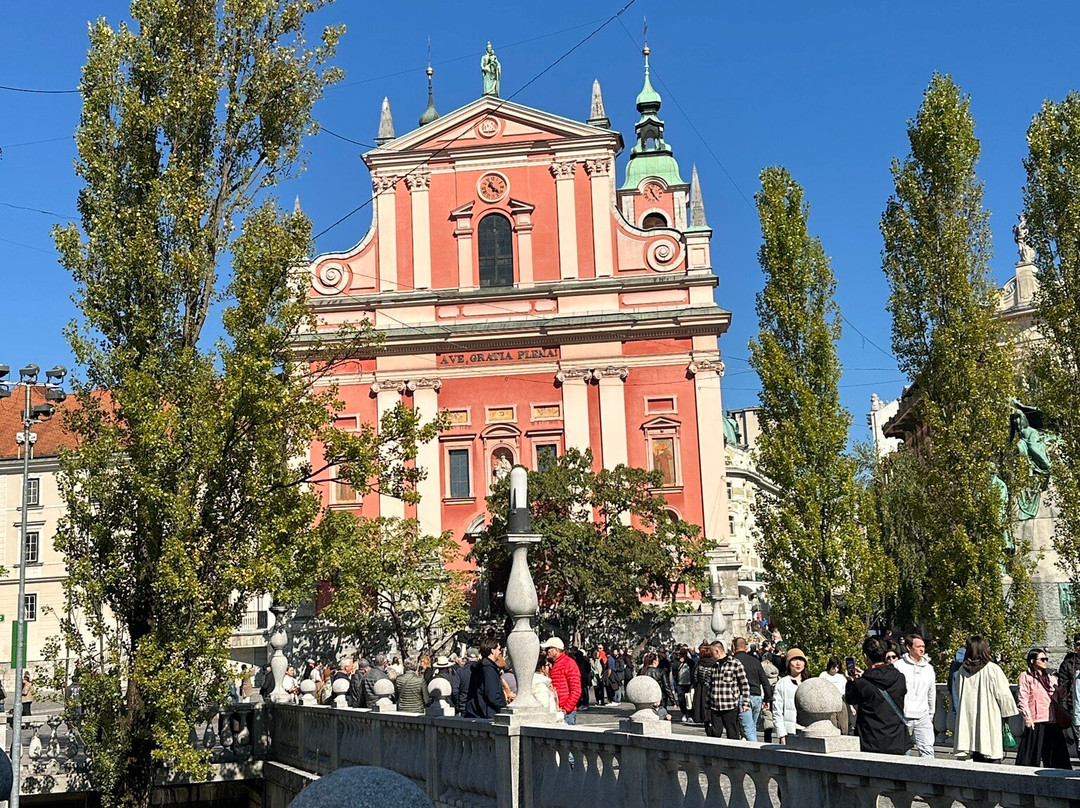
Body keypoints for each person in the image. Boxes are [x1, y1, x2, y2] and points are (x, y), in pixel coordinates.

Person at [953, 635, 1020, 763]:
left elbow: (957, 692)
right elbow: (1004, 695)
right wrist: (1007, 715)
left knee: (975, 756)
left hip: (968, 718)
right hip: (989, 717)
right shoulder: (992, 669)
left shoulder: (962, 670)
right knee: (991, 753)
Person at [846, 636, 909, 755]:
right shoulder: (900, 677)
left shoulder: (862, 683)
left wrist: (851, 681)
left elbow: (850, 698)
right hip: (897, 739)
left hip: (871, 741)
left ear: (866, 656)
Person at [1016, 647, 1071, 768]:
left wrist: (1060, 691)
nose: (1046, 661)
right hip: (1036, 720)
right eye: (1042, 659)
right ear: (1032, 661)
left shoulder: (1051, 678)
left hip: (1052, 720)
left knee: (1057, 758)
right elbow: (1023, 698)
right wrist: (1027, 718)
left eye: (1046, 659)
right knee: (1029, 757)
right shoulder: (1026, 676)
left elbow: (1059, 699)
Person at [894, 634, 936, 757]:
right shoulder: (898, 666)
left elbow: (931, 692)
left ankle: (929, 775)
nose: (922, 649)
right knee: (903, 752)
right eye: (918, 646)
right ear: (908, 647)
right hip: (902, 715)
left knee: (927, 751)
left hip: (923, 715)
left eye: (923, 646)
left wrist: (931, 713)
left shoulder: (928, 668)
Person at [706, 641, 750, 740]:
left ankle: (734, 753)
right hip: (715, 706)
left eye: (712, 653)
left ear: (717, 651)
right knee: (715, 733)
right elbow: (710, 686)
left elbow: (744, 684)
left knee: (732, 733)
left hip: (730, 705)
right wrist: (707, 706)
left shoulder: (735, 664)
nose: (711, 656)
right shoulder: (714, 666)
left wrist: (746, 703)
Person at [733, 637, 772, 741]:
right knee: (752, 727)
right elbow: (764, 681)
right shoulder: (755, 661)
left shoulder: (733, 661)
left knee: (747, 728)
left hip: (743, 697)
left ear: (733, 647)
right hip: (757, 696)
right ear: (746, 647)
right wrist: (767, 698)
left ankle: (756, 751)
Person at [463, 638, 508, 719]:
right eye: (499, 649)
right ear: (492, 650)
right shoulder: (488, 669)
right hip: (487, 714)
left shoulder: (480, 666)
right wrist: (503, 709)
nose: (500, 652)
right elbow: (492, 694)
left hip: (477, 713)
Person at [772, 648, 809, 744]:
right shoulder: (782, 683)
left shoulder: (809, 683)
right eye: (794, 660)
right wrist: (781, 734)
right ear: (788, 663)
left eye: (801, 660)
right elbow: (777, 711)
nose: (798, 663)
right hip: (790, 732)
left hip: (807, 732)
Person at [543, 637, 582, 724]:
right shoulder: (551, 665)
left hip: (566, 713)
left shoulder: (569, 663)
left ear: (556, 649)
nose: (546, 651)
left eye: (548, 648)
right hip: (554, 709)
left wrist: (566, 709)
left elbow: (576, 690)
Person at [818, 657, 849, 735]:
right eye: (834, 667)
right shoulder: (823, 675)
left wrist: (851, 707)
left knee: (843, 724)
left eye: (837, 667)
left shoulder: (841, 677)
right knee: (832, 723)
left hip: (840, 700)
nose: (835, 669)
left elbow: (845, 691)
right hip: (828, 702)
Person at [692, 640, 718, 728]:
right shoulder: (714, 664)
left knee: (700, 702)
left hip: (700, 686)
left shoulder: (699, 663)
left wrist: (697, 683)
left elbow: (695, 676)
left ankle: (701, 717)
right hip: (710, 686)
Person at [640, 652, 674, 719]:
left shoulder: (642, 672)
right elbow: (666, 686)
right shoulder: (660, 672)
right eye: (658, 660)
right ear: (654, 661)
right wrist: (673, 700)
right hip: (659, 697)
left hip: (645, 697)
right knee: (661, 715)